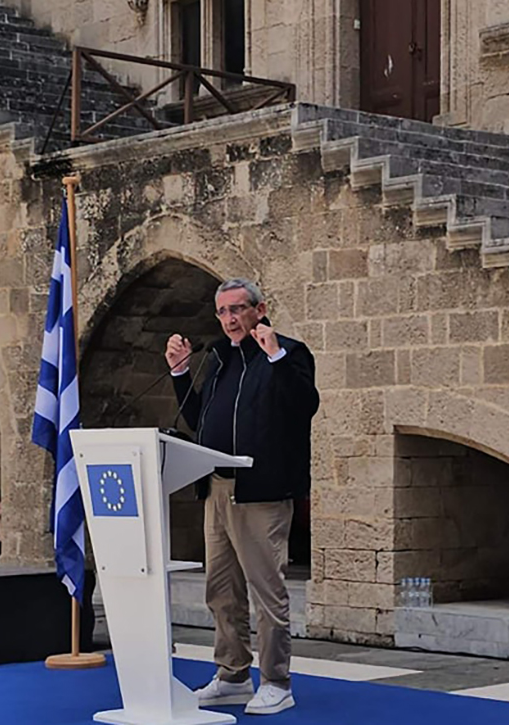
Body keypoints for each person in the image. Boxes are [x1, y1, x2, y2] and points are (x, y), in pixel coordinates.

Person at [165, 278, 319, 716]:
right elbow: (200, 419)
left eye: (237, 309)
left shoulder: (289, 353)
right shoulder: (218, 358)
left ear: (260, 309)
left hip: (261, 492)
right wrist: (180, 373)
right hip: (216, 488)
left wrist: (276, 358)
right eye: (222, 312)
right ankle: (232, 674)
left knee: (266, 592)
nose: (229, 319)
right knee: (221, 590)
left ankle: (276, 682)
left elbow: (304, 406)